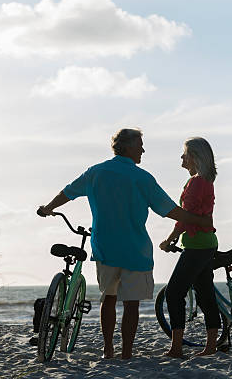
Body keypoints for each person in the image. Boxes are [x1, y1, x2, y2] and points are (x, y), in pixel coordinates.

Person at [38, 128, 213, 360]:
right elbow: (170, 211)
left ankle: (108, 349)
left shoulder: (96, 172)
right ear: (128, 147)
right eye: (140, 145)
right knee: (131, 304)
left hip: (105, 247)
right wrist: (200, 220)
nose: (143, 149)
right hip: (135, 250)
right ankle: (126, 353)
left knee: (108, 298)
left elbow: (68, 192)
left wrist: (49, 207)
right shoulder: (142, 178)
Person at [159, 137, 220, 359]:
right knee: (205, 294)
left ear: (194, 157)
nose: (181, 158)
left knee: (174, 293)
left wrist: (169, 239)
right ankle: (211, 346)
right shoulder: (205, 180)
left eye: (184, 154)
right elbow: (196, 216)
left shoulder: (196, 182)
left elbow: (186, 217)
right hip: (205, 244)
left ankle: (176, 348)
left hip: (197, 246)